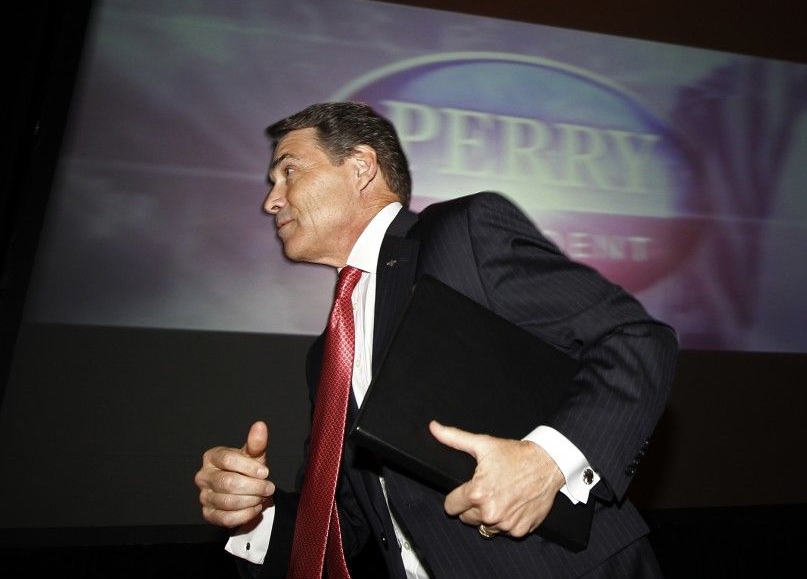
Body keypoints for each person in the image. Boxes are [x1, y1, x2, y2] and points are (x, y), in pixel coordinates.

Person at [195, 102, 678, 578]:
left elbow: (634, 338)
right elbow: (344, 527)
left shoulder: (460, 234)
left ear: (361, 166)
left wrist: (548, 462)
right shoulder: (326, 354)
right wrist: (254, 515)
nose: (271, 201)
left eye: (289, 171)